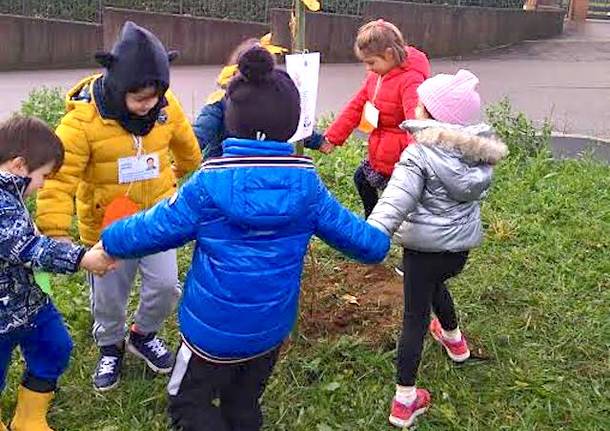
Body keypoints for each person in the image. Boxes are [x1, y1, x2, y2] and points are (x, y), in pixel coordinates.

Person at [99, 46, 391, 431]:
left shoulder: (208, 184)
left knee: (188, 404)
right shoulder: (308, 188)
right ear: (291, 125)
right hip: (269, 331)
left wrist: (108, 238)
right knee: (244, 403)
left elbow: (150, 228)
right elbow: (369, 245)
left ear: (230, 121)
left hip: (209, 336)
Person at [35, 21, 202, 392]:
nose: (149, 106)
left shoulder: (163, 106)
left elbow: (185, 142)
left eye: (155, 97)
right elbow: (58, 179)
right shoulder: (81, 122)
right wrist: (56, 232)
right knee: (110, 295)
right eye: (140, 98)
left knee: (165, 286)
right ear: (117, 86)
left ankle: (143, 334)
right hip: (108, 228)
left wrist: (190, 169)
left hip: (158, 219)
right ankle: (110, 344)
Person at [367, 70, 508, 428]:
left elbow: (394, 202)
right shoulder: (475, 156)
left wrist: (369, 235)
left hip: (423, 252)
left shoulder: (420, 156)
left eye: (422, 103)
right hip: (458, 252)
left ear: (431, 114)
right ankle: (455, 342)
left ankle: (404, 401)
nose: (415, 104)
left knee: (413, 319)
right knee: (436, 287)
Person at [0, 116, 115, 431]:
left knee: (55, 346)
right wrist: (82, 258)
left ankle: (29, 418)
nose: (44, 185)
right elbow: (28, 248)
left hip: (30, 303)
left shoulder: (12, 193)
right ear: (19, 165)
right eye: (44, 176)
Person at [321, 19, 430, 218]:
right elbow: (356, 106)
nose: (368, 68)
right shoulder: (376, 76)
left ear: (389, 54)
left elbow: (415, 122)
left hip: (399, 158)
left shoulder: (410, 79)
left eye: (371, 62)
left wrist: (417, 159)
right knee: (362, 179)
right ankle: (373, 219)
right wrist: (333, 137)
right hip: (380, 151)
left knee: (400, 201)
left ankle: (393, 227)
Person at [193, 35, 324, 159]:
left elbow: (201, 131)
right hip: (263, 163)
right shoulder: (221, 100)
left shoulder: (221, 100)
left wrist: (186, 150)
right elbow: (203, 129)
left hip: (224, 167)